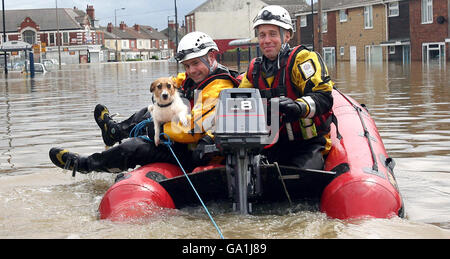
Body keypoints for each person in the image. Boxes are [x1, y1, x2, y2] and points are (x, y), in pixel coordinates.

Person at [49, 31, 239, 174]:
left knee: (135, 147)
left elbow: (193, 129)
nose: (191, 71)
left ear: (211, 57)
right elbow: (175, 81)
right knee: (148, 113)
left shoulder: (218, 88)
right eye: (187, 65)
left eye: (196, 63)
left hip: (197, 152)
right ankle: (113, 132)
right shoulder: (200, 77)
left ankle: (85, 165)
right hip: (184, 143)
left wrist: (161, 130)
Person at [239, 5, 334, 170]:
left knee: (302, 177)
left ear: (287, 36)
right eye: (262, 35)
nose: (266, 40)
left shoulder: (302, 60)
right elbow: (238, 102)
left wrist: (299, 106)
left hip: (307, 144)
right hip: (272, 143)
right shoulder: (254, 69)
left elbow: (324, 97)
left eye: (273, 34)